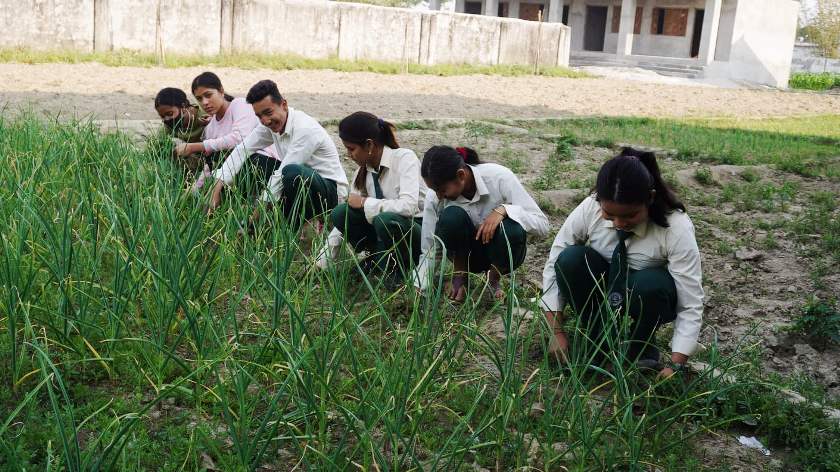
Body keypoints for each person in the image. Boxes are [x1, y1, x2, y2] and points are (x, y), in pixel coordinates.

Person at [540, 147, 704, 379]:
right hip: (603, 284)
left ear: (651, 198)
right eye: (609, 214)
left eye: (630, 216)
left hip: (646, 295)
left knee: (650, 283)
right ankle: (598, 339)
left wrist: (676, 363)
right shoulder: (590, 207)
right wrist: (555, 332)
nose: (619, 223)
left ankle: (641, 344)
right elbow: (554, 262)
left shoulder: (676, 227)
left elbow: (690, 301)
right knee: (571, 260)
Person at [208, 80, 348, 229]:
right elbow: (242, 149)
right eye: (259, 116)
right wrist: (214, 192)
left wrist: (253, 220)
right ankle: (238, 208)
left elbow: (281, 174)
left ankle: (298, 224)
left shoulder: (305, 129)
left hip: (328, 192)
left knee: (290, 172)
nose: (265, 121)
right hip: (296, 182)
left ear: (284, 105)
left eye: (268, 113)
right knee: (253, 160)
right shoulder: (269, 124)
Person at [416, 146, 549, 302]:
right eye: (434, 190)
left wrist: (504, 210)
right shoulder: (435, 197)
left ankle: (493, 279)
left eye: (442, 189)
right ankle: (460, 276)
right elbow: (431, 247)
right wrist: (419, 285)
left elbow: (542, 225)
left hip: (501, 255)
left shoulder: (499, 177)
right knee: (451, 216)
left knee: (512, 228)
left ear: (461, 175)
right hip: (466, 255)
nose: (439, 196)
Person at [322, 112, 427, 283]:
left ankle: (400, 267)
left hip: (414, 230)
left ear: (369, 145)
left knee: (386, 220)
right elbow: (344, 222)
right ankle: (377, 256)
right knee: (341, 213)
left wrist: (365, 202)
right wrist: (322, 261)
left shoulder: (404, 159)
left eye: (351, 149)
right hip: (383, 233)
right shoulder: (361, 173)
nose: (349, 155)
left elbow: (408, 207)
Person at [171, 72, 281, 195]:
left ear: (221, 91)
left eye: (208, 95)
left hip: (265, 163)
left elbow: (240, 139)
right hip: (237, 171)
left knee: (242, 159)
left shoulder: (240, 105)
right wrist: (197, 187)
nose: (205, 102)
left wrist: (194, 146)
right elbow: (210, 164)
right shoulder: (210, 128)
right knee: (217, 168)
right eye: (199, 99)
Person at [154, 87, 208, 174]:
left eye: (170, 114)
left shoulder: (205, 117)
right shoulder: (168, 126)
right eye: (162, 116)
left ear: (183, 106)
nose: (167, 119)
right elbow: (154, 150)